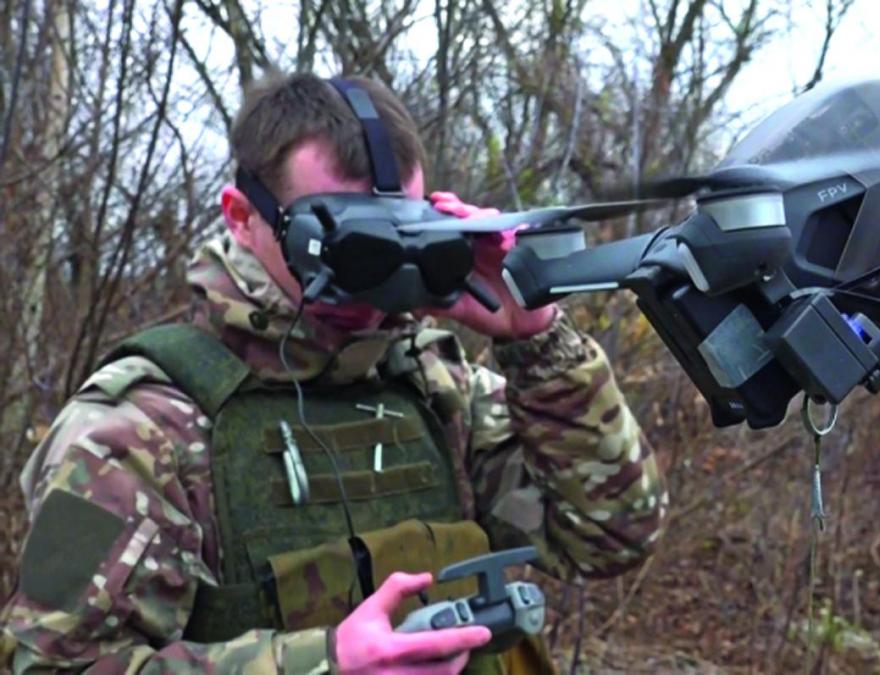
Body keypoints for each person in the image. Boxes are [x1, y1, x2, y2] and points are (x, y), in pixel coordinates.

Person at [0, 72, 665, 674]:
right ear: (243, 217)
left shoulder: (434, 385)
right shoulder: (138, 428)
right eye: (338, 240)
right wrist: (321, 663)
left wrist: (539, 342)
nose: (370, 285)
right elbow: (53, 667)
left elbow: (610, 538)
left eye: (398, 236)